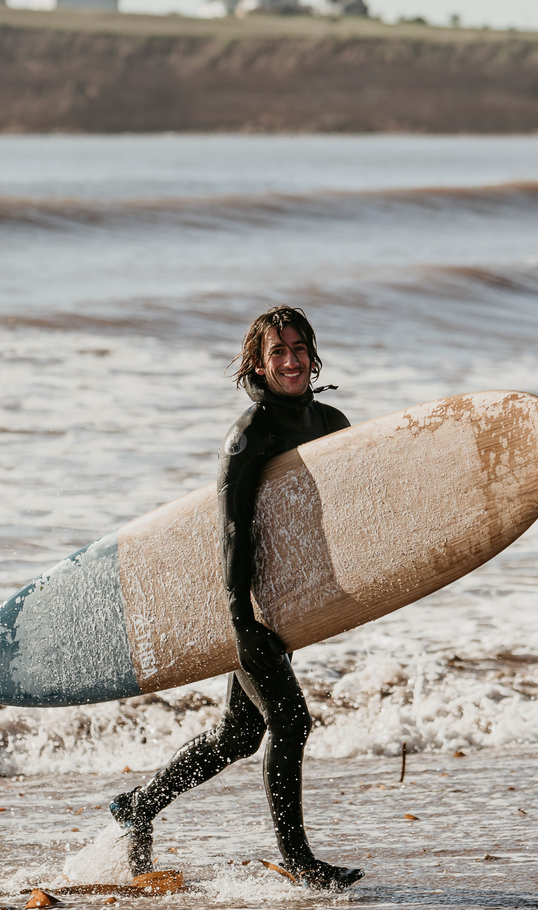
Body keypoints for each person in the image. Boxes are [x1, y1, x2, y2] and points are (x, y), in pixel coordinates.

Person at [109, 305, 364, 892]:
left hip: (286, 601)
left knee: (239, 736)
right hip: (243, 602)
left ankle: (138, 807)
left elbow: (352, 512)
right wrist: (239, 619)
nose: (293, 360)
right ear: (258, 362)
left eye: (300, 348)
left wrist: (344, 596)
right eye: (279, 351)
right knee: (291, 722)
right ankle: (298, 860)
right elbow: (233, 531)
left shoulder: (331, 422)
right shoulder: (248, 438)